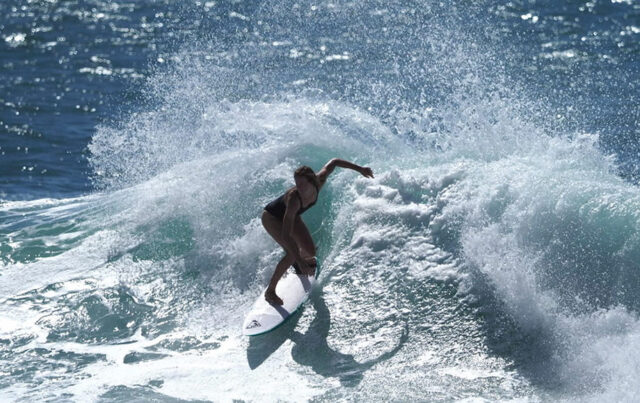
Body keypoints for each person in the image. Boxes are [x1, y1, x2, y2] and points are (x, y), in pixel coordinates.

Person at [261, 158, 374, 305]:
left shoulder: (319, 181)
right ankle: (270, 292)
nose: (298, 187)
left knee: (311, 251)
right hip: (272, 218)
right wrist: (299, 260)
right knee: (291, 252)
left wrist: (360, 169)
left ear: (311, 180)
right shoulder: (294, 199)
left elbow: (334, 162)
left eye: (302, 184)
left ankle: (298, 262)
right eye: (296, 184)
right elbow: (286, 235)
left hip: (293, 216)